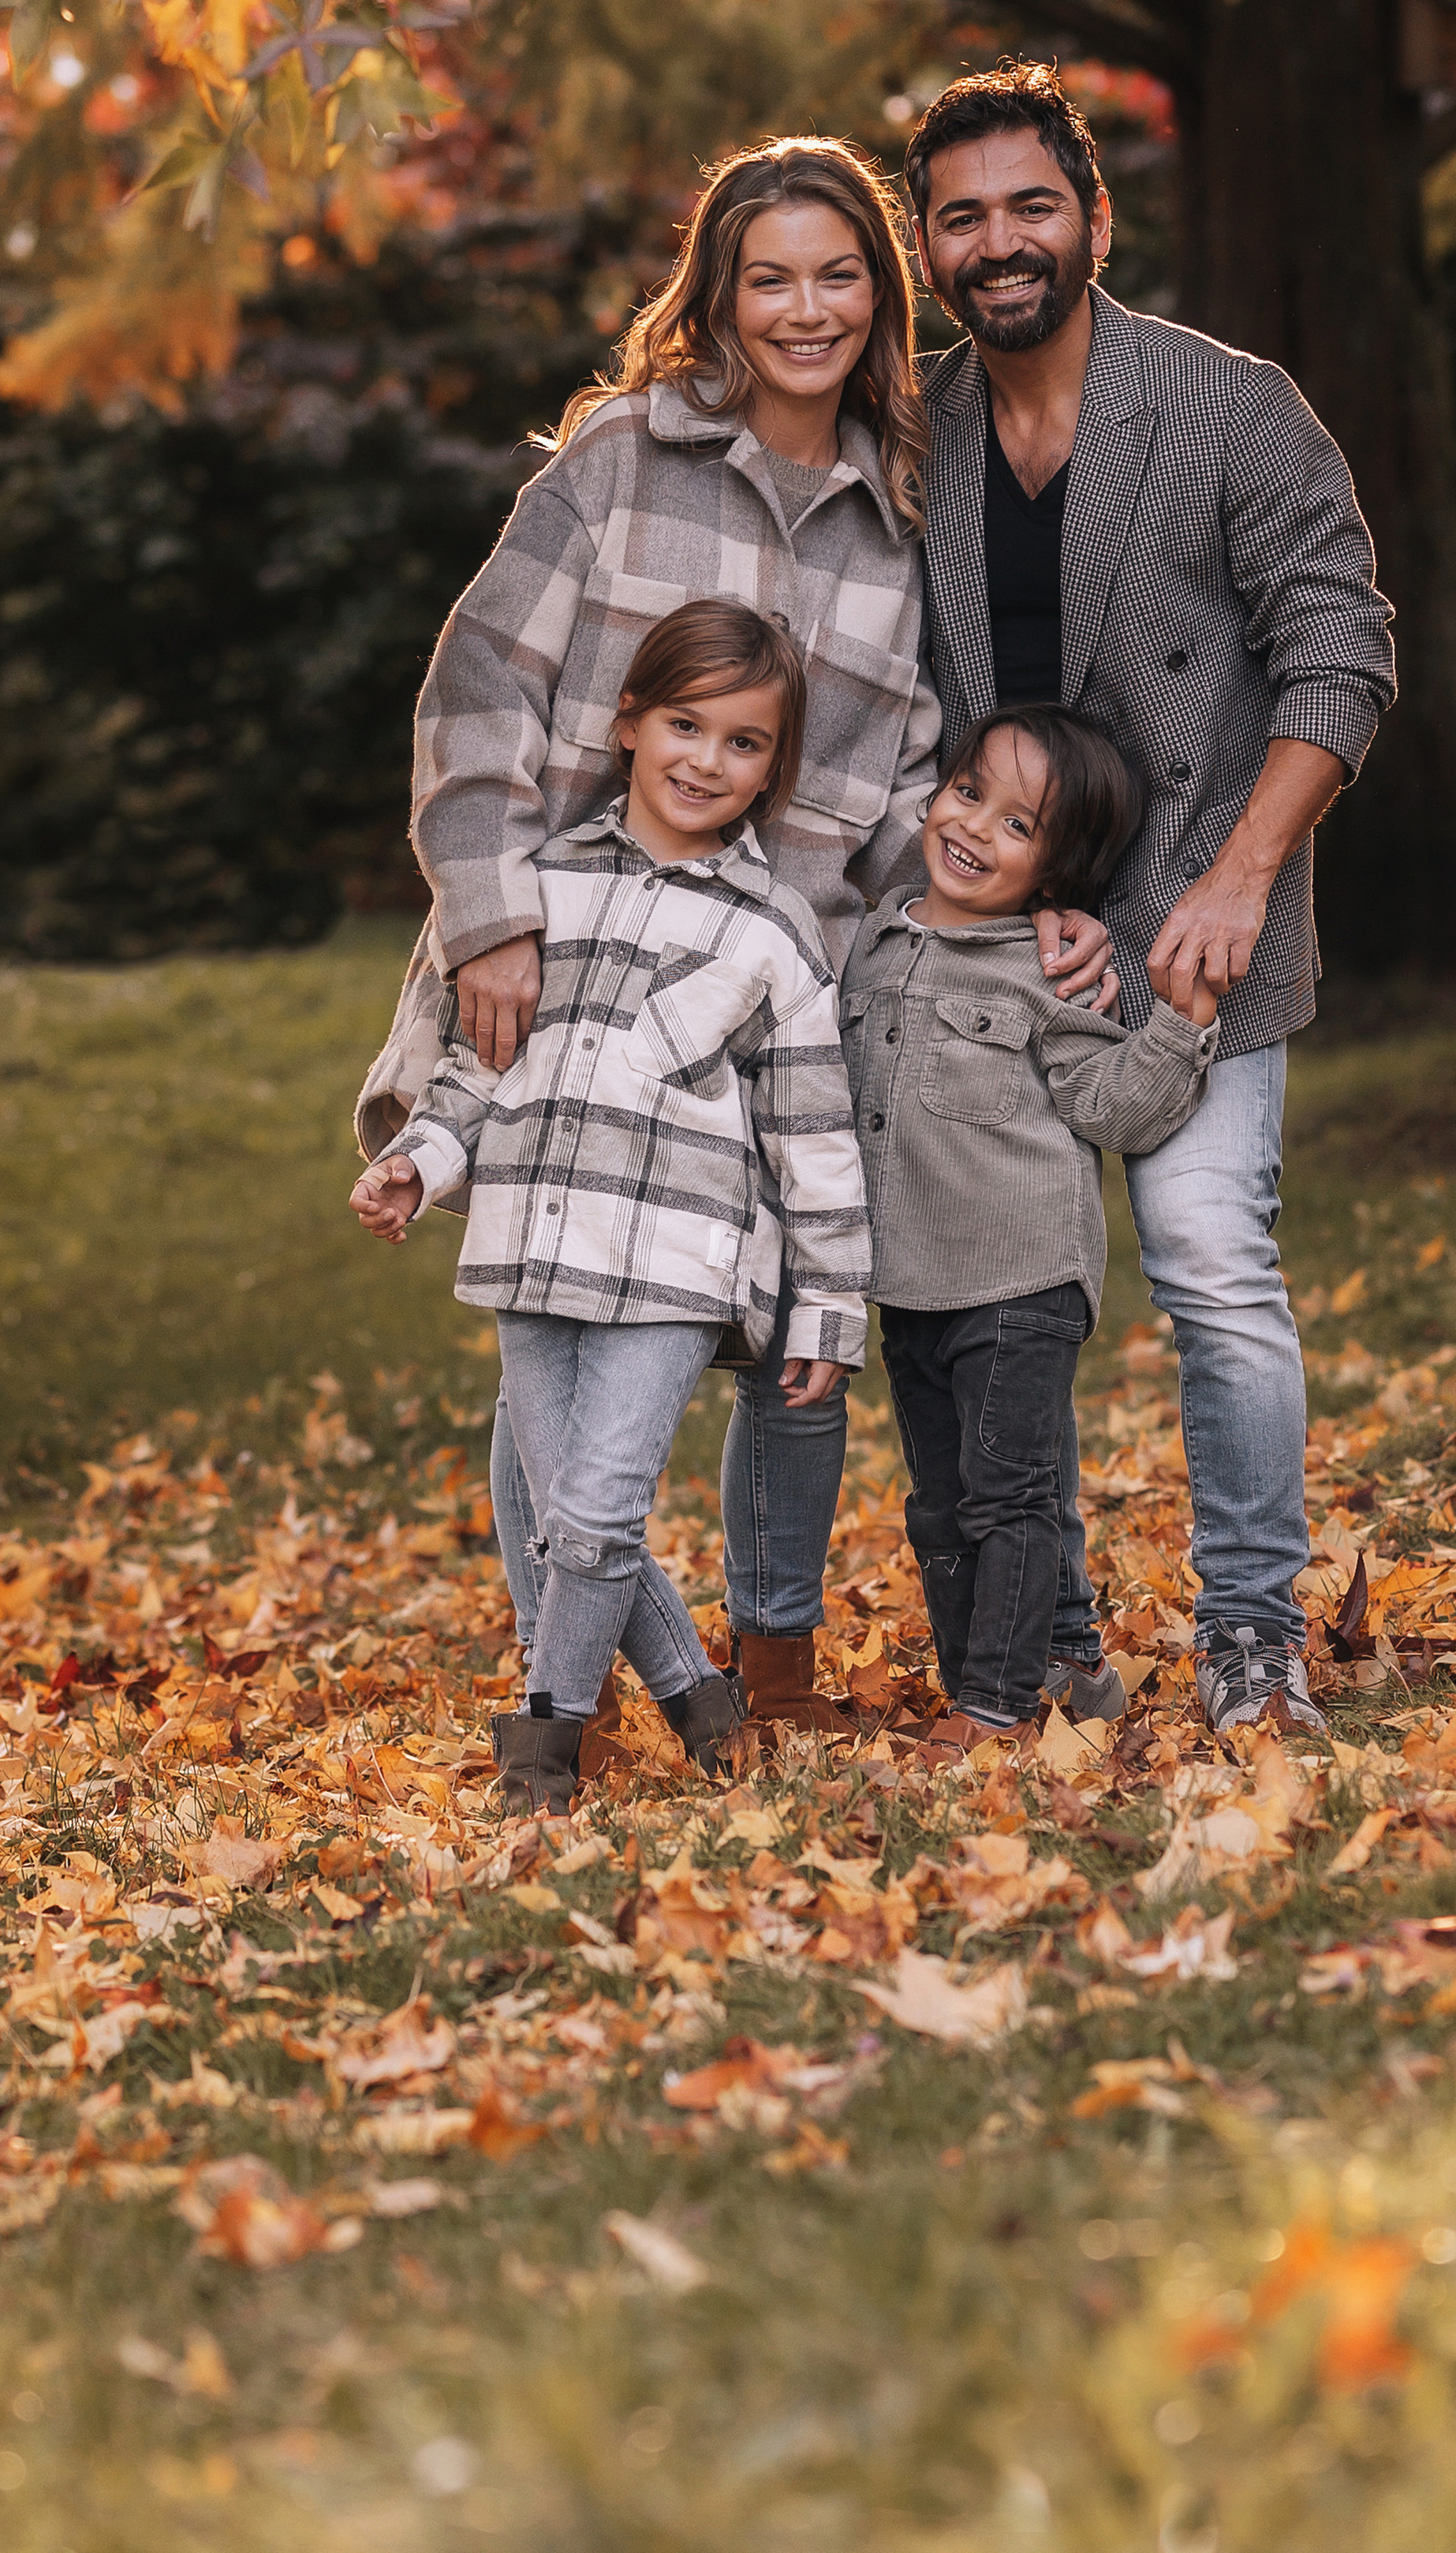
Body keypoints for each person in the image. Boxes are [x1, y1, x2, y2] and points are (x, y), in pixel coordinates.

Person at [354, 136, 1114, 1757]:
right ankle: (562, 1664)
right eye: (765, 275)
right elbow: (477, 690)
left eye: (838, 274)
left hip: (785, 984)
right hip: (556, 952)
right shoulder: (619, 462)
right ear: (712, 294)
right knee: (555, 1322)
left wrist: (1001, 886)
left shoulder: (902, 504)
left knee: (786, 1317)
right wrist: (487, 918)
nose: (803, 307)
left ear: (882, 298)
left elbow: (917, 775)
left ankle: (761, 1680)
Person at [904, 63, 1398, 1740]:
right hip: (996, 940)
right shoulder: (920, 432)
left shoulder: (1226, 406)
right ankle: (1047, 1646)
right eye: (960, 216)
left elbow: (1341, 652)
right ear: (924, 244)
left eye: (1028, 204)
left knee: (1207, 1264)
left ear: (1093, 217)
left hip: (1203, 923)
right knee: (989, 1298)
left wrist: (1240, 879)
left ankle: (1251, 1639)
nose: (998, 242)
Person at [349, 603, 869, 1815]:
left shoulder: (774, 935)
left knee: (593, 1513)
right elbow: (482, 1071)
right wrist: (417, 1165)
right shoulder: (538, 889)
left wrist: (831, 1302)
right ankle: (699, 1700)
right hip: (531, 1250)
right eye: (685, 725)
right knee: (563, 1524)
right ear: (629, 723)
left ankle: (542, 1751)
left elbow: (815, 1135)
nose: (706, 761)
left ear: (772, 770)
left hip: (674, 1270)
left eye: (744, 745)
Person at [843, 706, 1219, 1763]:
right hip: (908, 1279)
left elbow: (1110, 1104)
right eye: (969, 793)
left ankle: (996, 1713)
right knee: (940, 1506)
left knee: (1008, 1496)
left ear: (1058, 876)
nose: (974, 828)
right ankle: (1034, 1682)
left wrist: (1181, 1023)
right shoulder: (874, 938)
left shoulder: (1047, 970)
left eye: (1019, 826)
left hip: (1019, 1280)